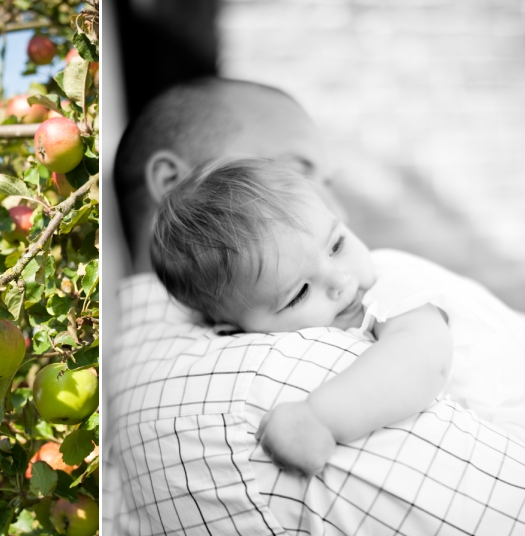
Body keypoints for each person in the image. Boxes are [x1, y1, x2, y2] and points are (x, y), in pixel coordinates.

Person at [103, 77, 525, 536]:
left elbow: (427, 348)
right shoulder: (299, 369)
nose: (341, 279)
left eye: (336, 238)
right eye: (300, 168)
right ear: (171, 181)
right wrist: (320, 416)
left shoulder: (126, 388)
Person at [150, 158, 525, 475]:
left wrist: (321, 419)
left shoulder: (392, 280)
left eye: (337, 245)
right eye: (299, 292)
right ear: (235, 332)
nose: (340, 281)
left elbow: (424, 358)